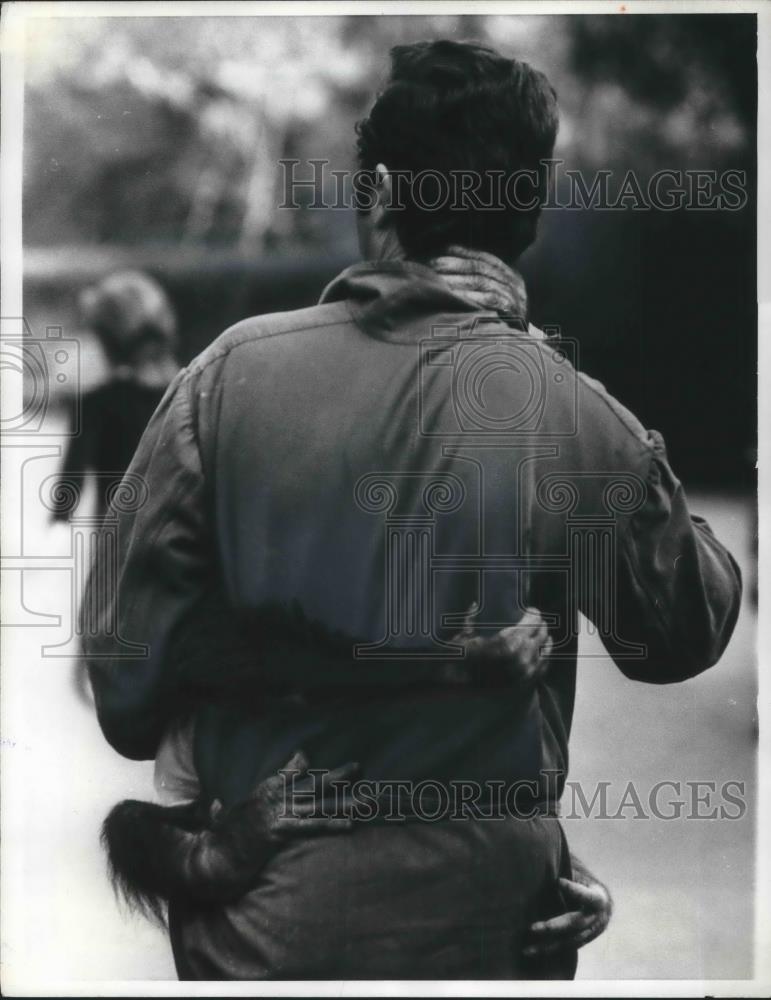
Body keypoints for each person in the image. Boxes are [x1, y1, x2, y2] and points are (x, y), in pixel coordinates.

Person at [83, 40, 741, 980]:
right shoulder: (558, 405)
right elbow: (690, 624)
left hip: (272, 931)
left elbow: (126, 694)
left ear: (383, 190)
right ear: (527, 217)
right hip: (492, 924)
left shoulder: (223, 379)